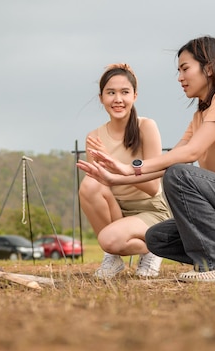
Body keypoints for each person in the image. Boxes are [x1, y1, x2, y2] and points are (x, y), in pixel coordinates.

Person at [77, 36, 215, 282]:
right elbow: (169, 160)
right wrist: (116, 175)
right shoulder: (200, 116)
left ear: (208, 68)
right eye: (178, 70)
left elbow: (189, 155)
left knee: (179, 174)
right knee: (157, 238)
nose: (180, 77)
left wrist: (129, 167)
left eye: (185, 68)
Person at [79, 63, 171, 279]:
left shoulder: (146, 127)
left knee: (111, 240)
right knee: (89, 184)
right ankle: (113, 258)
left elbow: (151, 186)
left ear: (135, 96)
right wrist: (107, 174)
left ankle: (152, 248)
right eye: (111, 92)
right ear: (101, 97)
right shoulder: (94, 137)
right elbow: (98, 187)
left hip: (151, 210)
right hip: (117, 209)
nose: (117, 99)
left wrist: (115, 167)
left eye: (124, 92)